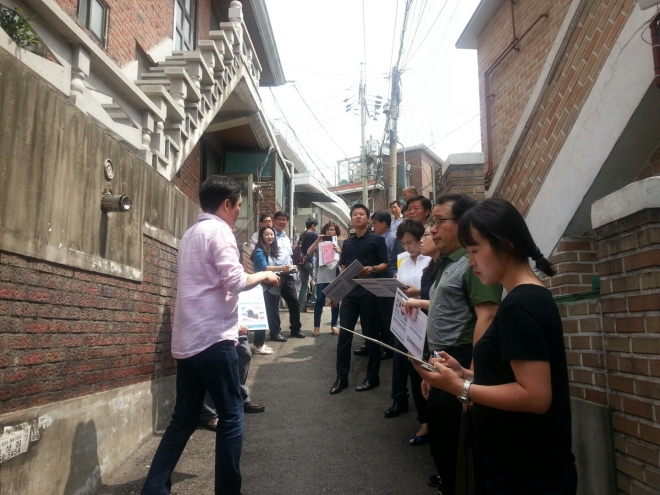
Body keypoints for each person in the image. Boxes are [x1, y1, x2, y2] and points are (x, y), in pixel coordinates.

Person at [413, 198, 577, 495]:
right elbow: (511, 376)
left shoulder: (520, 305)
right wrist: (464, 373)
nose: (471, 261)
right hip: (521, 463)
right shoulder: (527, 297)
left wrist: (459, 388)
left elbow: (535, 396)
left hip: (526, 470)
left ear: (505, 245)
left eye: (475, 251)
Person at [140, 176, 280, 495]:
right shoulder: (220, 232)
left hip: (188, 339)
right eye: (239, 205)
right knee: (232, 415)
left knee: (184, 418)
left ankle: (154, 487)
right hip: (213, 338)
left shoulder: (190, 234)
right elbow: (235, 282)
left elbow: (209, 285)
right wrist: (265, 275)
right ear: (227, 204)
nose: (239, 212)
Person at [407, 194, 502, 495]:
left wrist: (470, 382)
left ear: (465, 223)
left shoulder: (471, 265)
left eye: (439, 222)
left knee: (459, 443)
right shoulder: (447, 265)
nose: (432, 229)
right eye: (432, 223)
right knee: (443, 437)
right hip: (444, 360)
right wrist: (432, 367)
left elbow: (487, 317)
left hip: (462, 361)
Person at [329, 204, 388, 394]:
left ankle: (373, 377)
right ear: (351, 219)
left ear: (368, 219)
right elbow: (344, 269)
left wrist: (373, 269)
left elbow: (386, 264)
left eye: (362, 214)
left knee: (371, 336)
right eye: (355, 214)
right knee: (344, 337)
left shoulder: (377, 239)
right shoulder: (348, 243)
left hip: (369, 292)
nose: (358, 216)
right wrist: (336, 294)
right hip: (350, 293)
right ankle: (341, 378)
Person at [384, 220, 431, 426]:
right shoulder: (403, 261)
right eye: (403, 244)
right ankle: (399, 399)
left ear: (421, 238)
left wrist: (416, 292)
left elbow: (433, 291)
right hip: (403, 316)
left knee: (419, 365)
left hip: (424, 316)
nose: (408, 247)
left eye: (410, 242)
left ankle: (425, 416)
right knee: (400, 358)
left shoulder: (430, 260)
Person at [199, 335, 266, 431]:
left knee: (244, 353)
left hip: (234, 328)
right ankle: (208, 414)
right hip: (211, 330)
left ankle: (238, 398)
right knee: (211, 361)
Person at [251, 226, 297, 351]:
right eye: (267, 234)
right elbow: (265, 268)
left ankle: (262, 342)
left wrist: (285, 269)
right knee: (263, 315)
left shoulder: (270, 250)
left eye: (271, 234)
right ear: (261, 236)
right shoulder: (259, 251)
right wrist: (281, 268)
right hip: (263, 286)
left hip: (271, 285)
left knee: (270, 312)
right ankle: (259, 345)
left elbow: (272, 267)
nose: (270, 237)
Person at [271, 211, 305, 340]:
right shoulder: (270, 235)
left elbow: (289, 256)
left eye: (284, 219)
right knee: (274, 304)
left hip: (288, 274)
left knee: (294, 301)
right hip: (276, 274)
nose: (282, 221)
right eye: (279, 219)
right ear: (274, 220)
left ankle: (295, 329)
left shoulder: (286, 237)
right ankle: (275, 332)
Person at [307, 221, 342, 336]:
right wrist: (317, 241)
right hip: (322, 275)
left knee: (335, 301)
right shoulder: (320, 242)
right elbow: (308, 252)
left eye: (332, 229)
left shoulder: (340, 243)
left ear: (336, 232)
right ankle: (316, 326)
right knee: (319, 300)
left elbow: (346, 258)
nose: (330, 231)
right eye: (328, 229)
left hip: (335, 275)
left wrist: (340, 251)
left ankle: (334, 325)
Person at [297, 218, 319, 313]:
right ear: (313, 225)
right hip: (310, 261)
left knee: (304, 284)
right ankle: (312, 305)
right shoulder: (314, 234)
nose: (316, 228)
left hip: (302, 262)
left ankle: (302, 306)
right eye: (316, 226)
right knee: (317, 282)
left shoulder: (302, 234)